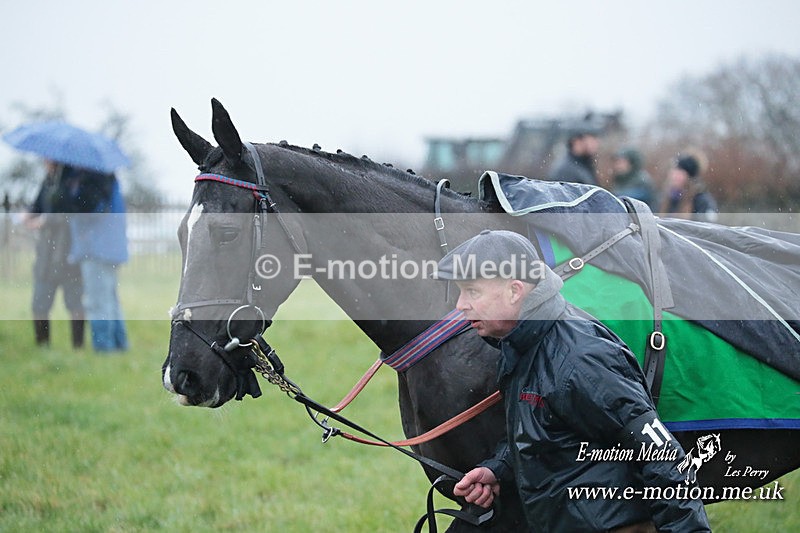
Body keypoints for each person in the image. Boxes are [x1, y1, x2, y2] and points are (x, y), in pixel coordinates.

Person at [436, 229, 710, 532]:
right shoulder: (520, 344)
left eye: (472, 292)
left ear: (515, 291)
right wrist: (498, 468)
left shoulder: (581, 358)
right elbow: (545, 433)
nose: (460, 304)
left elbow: (663, 455)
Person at [62, 167, 129, 352]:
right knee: (110, 299)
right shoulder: (109, 179)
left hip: (96, 248)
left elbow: (87, 210)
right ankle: (120, 345)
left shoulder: (92, 181)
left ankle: (103, 348)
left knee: (97, 301)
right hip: (112, 248)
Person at [22, 161, 84, 348]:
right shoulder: (48, 181)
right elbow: (38, 205)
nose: (43, 161)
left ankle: (78, 346)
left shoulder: (73, 180)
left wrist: (46, 220)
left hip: (68, 251)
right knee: (39, 303)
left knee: (74, 302)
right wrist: (30, 214)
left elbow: (73, 211)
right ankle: (43, 345)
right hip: (46, 254)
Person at [659, 154, 718, 223]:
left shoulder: (701, 200)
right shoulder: (668, 197)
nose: (674, 176)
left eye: (679, 173)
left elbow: (707, 227)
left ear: (689, 177)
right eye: (673, 172)